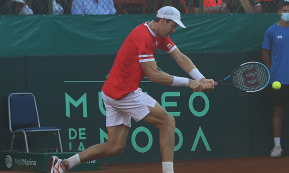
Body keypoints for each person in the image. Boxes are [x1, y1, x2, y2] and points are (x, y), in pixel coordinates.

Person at [47, 6, 214, 173]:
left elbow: (180, 57)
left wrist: (201, 79)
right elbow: (154, 75)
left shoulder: (160, 34)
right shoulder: (142, 36)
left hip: (111, 92)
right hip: (123, 93)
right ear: (163, 20)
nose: (175, 30)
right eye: (173, 25)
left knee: (114, 147)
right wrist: (189, 83)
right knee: (168, 122)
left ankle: (63, 164)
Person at [261, 0, 289, 158]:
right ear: (279, 12)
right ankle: (277, 147)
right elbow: (265, 53)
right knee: (278, 111)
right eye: (284, 10)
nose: (287, 13)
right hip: (278, 79)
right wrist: (273, 71)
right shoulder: (271, 31)